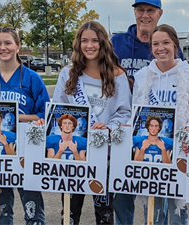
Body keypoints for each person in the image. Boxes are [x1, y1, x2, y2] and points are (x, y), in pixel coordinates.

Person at [50, 20, 131, 225]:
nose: (90, 45)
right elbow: (58, 110)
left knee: (104, 215)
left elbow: (124, 113)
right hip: (73, 156)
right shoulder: (68, 74)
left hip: (105, 157)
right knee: (69, 214)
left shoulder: (117, 74)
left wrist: (109, 127)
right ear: (78, 44)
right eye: (84, 40)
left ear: (103, 42)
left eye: (95, 40)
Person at [124, 24, 189, 225]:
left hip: (178, 151)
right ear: (151, 47)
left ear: (175, 45)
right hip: (150, 150)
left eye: (166, 43)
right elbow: (136, 114)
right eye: (156, 44)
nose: (161, 48)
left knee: (177, 209)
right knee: (152, 207)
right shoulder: (142, 76)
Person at [0, 27, 49, 225]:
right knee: (2, 209)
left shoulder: (32, 78)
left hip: (26, 152)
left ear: (18, 46)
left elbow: (45, 114)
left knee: (33, 210)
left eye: (7, 43)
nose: (3, 48)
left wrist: (18, 118)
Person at [111, 0, 184, 83]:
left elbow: (182, 81)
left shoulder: (169, 48)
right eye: (141, 10)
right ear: (135, 12)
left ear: (160, 13)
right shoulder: (116, 42)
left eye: (150, 10)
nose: (145, 15)